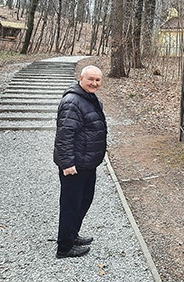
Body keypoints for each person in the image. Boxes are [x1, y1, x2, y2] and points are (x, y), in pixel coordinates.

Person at [53, 65, 107, 259]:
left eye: (98, 80)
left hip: (87, 163)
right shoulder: (72, 101)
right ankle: (64, 248)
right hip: (75, 166)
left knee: (83, 201)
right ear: (81, 78)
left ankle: (72, 235)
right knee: (71, 205)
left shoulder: (89, 99)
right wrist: (67, 164)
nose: (94, 83)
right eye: (90, 79)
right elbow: (64, 135)